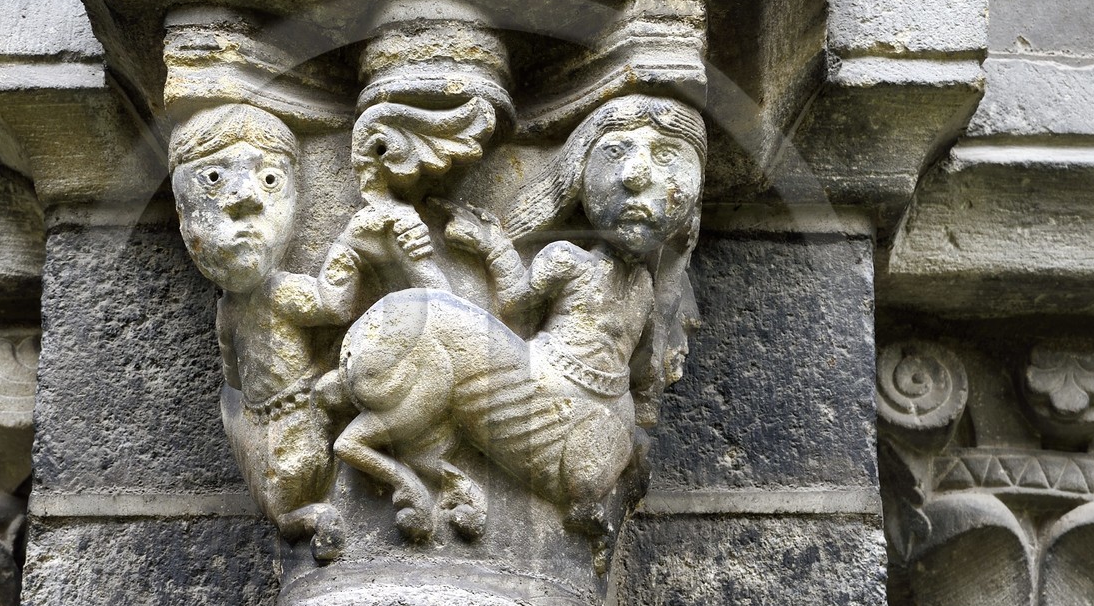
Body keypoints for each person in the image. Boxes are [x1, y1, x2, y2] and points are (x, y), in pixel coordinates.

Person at [334, 94, 706, 541]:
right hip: (569, 392)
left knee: (444, 329)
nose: (636, 174)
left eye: (665, 156)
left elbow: (517, 303)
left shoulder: (630, 280)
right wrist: (490, 244)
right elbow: (516, 309)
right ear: (577, 176)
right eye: (615, 151)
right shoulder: (571, 260)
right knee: (440, 326)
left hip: (575, 403)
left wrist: (493, 247)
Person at [169, 103, 343, 559]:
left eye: (270, 179)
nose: (247, 196)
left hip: (299, 413)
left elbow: (334, 306)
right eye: (213, 178)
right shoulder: (232, 309)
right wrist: (354, 248)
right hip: (271, 426)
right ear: (180, 207)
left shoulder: (277, 292)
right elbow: (232, 383)